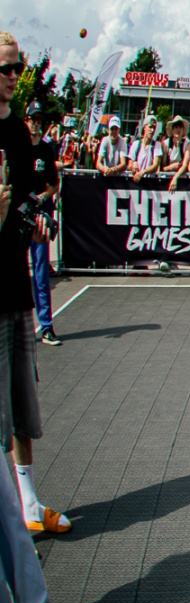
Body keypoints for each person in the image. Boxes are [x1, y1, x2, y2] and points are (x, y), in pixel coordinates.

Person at [0, 39, 70, 543]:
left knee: (23, 403)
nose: (13, 75)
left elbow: (28, 196)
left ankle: (27, 503)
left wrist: (35, 222)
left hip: (14, 286)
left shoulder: (19, 133)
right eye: (6, 67)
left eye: (17, 67)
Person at [25, 107, 60, 346]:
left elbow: (54, 185)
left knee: (40, 273)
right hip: (18, 214)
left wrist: (43, 197)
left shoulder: (46, 150)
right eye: (33, 119)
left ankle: (46, 326)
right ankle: (15, 328)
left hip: (39, 213)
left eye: (39, 119)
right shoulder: (18, 147)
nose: (36, 124)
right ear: (26, 121)